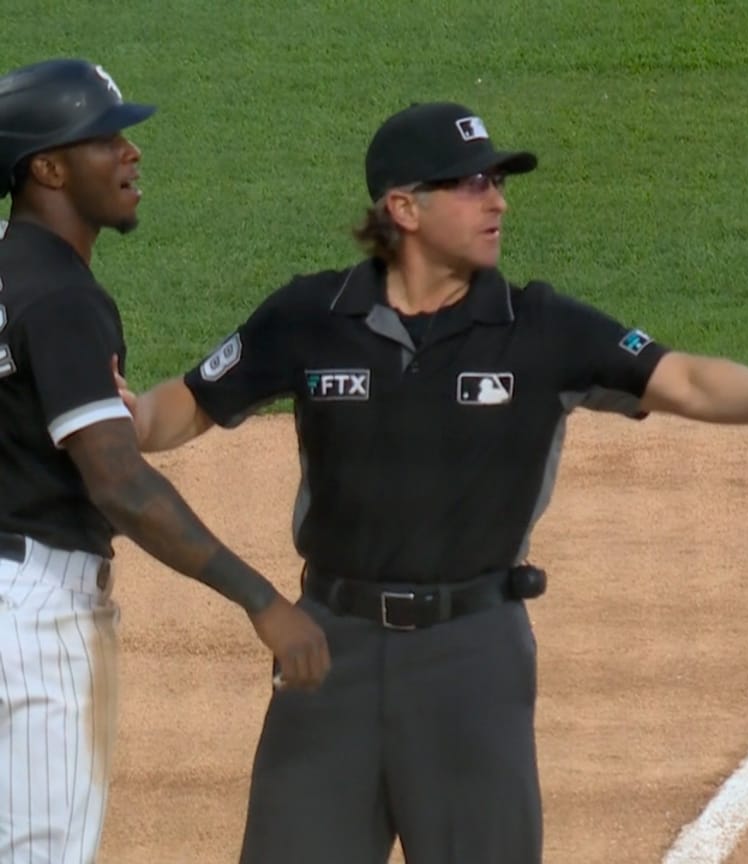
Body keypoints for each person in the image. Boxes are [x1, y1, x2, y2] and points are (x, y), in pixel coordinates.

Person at [116, 100, 748, 864]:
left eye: (497, 181)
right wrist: (122, 421)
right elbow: (187, 404)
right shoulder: (310, 315)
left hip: (472, 658)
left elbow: (678, 377)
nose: (498, 200)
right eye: (473, 184)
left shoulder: (541, 329)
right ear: (403, 208)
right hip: (328, 650)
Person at [0, 58, 331, 863]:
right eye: (106, 138)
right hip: (34, 616)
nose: (131, 154)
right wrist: (260, 599)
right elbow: (119, 484)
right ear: (46, 167)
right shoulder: (64, 298)